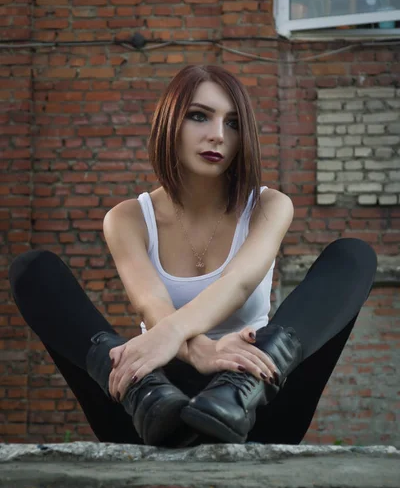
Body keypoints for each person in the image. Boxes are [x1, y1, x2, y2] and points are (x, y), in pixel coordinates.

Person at [8, 65, 377, 449]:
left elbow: (237, 283)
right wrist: (201, 350)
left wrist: (209, 355)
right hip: (152, 411)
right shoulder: (128, 218)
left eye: (232, 123)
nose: (218, 135)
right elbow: (151, 303)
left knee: (353, 256)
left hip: (252, 403)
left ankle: (239, 390)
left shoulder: (269, 206)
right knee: (32, 270)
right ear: (170, 123)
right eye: (199, 116)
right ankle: (142, 391)